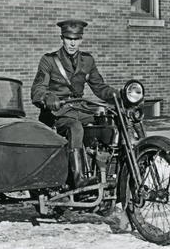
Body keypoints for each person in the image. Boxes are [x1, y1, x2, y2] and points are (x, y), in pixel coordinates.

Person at [31, 19, 120, 188]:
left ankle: (106, 171)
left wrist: (120, 95)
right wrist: (48, 97)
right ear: (62, 38)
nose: (72, 43)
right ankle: (79, 178)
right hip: (58, 113)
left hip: (80, 109)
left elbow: (100, 87)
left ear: (81, 40)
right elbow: (37, 90)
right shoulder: (49, 60)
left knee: (108, 124)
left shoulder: (87, 61)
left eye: (76, 39)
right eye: (68, 38)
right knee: (75, 127)